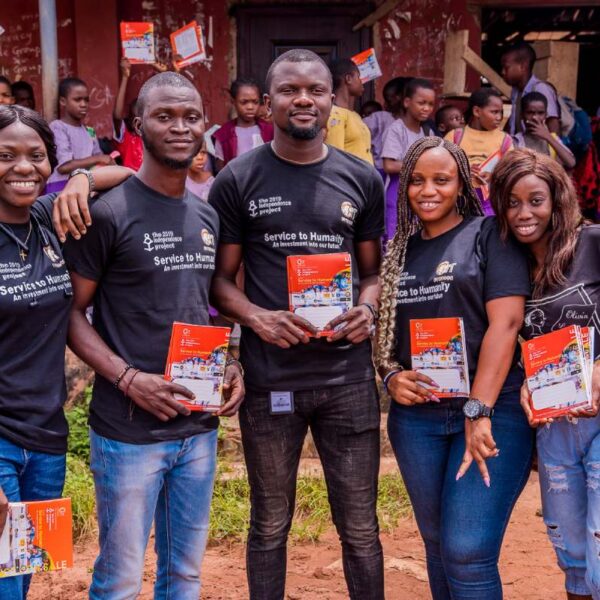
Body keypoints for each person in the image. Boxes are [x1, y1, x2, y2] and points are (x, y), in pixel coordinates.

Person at [209, 48, 385, 600]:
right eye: (289, 90)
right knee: (268, 524)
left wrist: (368, 309)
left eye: (315, 89)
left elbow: (374, 274)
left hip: (347, 381)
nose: (303, 99)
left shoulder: (362, 178)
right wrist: (257, 318)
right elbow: (219, 281)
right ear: (268, 103)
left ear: (333, 101)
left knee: (360, 529)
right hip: (271, 382)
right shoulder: (237, 178)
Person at [62, 72, 245, 599]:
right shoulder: (107, 213)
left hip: (197, 426)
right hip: (128, 433)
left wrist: (229, 362)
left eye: (191, 117)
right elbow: (71, 315)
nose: (180, 127)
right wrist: (128, 378)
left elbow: (198, 305)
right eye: (165, 116)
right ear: (139, 125)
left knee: (184, 575)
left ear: (205, 126)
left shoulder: (206, 215)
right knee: (119, 580)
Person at [375, 136, 535, 600]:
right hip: (417, 419)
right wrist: (391, 377)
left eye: (441, 180)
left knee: (467, 550)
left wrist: (477, 409)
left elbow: (506, 324)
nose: (428, 190)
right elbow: (387, 338)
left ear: (462, 184)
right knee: (438, 544)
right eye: (417, 181)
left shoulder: (490, 236)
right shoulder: (399, 252)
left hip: (491, 411)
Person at [0, 103, 133, 599]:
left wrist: (81, 179)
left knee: (20, 574)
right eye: (6, 155)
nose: (23, 167)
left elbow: (128, 175)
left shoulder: (45, 217)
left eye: (36, 155)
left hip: (47, 437)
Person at [491, 148, 600, 600]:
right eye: (512, 203)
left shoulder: (592, 242)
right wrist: (524, 384)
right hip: (554, 426)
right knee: (570, 548)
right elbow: (512, 337)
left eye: (535, 200)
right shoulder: (505, 264)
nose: (524, 214)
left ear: (556, 199)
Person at [381, 77, 435, 241]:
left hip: (421, 194)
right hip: (398, 194)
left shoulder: (428, 133)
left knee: (418, 238)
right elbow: (389, 165)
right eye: (422, 103)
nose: (426, 108)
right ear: (406, 102)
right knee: (396, 239)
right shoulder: (396, 129)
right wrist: (420, 165)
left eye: (431, 104)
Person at [445, 88, 514, 215]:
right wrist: (463, 171)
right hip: (458, 202)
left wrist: (493, 176)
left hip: (491, 203)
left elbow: (512, 171)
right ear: (477, 111)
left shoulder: (505, 140)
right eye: (494, 112)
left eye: (501, 112)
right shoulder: (455, 137)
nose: (499, 117)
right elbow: (441, 167)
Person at [46, 77, 114, 193]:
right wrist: (98, 159)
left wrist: (108, 161)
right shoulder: (57, 127)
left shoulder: (89, 131)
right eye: (77, 100)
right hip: (60, 187)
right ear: (63, 101)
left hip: (82, 186)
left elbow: (99, 158)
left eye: (86, 100)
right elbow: (63, 167)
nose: (83, 104)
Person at [213, 77, 274, 170]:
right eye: (244, 102)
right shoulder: (224, 134)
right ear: (233, 102)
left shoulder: (270, 130)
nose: (250, 107)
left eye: (255, 102)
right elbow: (220, 169)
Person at [501, 41, 560, 135]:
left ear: (522, 66)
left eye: (506, 68)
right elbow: (513, 121)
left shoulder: (541, 89)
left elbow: (553, 126)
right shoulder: (515, 90)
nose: (503, 72)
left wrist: (552, 144)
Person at [325, 58, 373, 164]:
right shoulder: (335, 115)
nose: (361, 81)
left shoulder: (355, 115)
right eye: (358, 76)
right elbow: (335, 159)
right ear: (348, 79)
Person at [513, 92, 576, 169]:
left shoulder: (552, 138)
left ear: (546, 115)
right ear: (522, 115)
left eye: (540, 113)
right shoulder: (516, 140)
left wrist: (548, 137)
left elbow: (571, 163)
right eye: (530, 113)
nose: (535, 117)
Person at [363, 77, 410, 175]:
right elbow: (359, 129)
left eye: (389, 100)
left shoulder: (422, 127)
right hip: (379, 172)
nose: (385, 105)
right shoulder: (380, 118)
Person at [112, 57, 143, 171]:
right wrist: (125, 77)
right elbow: (117, 115)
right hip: (130, 179)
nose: (139, 123)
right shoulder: (126, 137)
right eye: (136, 119)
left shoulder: (153, 138)